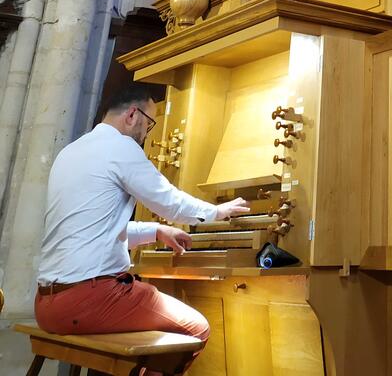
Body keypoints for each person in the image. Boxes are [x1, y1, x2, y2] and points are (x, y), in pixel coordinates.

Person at [35, 82, 251, 375]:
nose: (146, 135)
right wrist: (217, 211)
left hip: (47, 304)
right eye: (149, 125)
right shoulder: (120, 146)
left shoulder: (71, 152)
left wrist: (157, 232)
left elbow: (97, 228)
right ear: (133, 115)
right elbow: (169, 201)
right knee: (196, 329)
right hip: (89, 299)